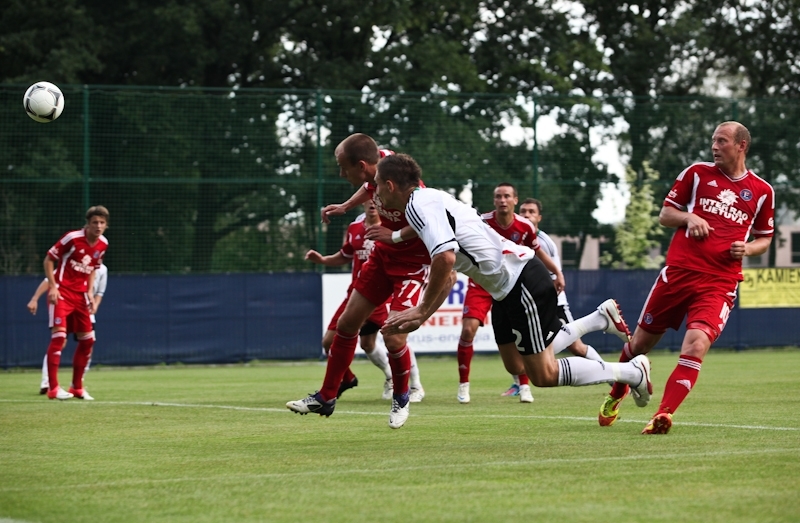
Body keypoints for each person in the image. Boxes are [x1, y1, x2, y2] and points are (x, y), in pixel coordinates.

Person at [374, 153, 653, 426]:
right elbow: (448, 273)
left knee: (543, 374)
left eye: (376, 183)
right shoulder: (429, 200)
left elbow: (445, 258)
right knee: (516, 366)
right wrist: (422, 315)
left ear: (390, 185)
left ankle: (631, 372)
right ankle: (597, 319)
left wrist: (422, 310)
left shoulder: (418, 206)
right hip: (505, 291)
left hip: (521, 282)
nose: (374, 192)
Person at [598, 121, 775, 434]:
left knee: (695, 346)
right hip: (679, 273)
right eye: (713, 140)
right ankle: (617, 392)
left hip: (720, 282)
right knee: (639, 344)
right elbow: (666, 214)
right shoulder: (696, 174)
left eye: (721, 141)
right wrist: (689, 216)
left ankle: (663, 414)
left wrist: (747, 249)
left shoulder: (761, 191)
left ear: (741, 145)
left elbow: (764, 238)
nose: (714, 147)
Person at [286, 134, 445, 429]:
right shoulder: (380, 161)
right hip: (382, 260)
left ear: (361, 165)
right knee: (347, 325)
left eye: (342, 167)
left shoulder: (414, 192)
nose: (340, 173)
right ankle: (327, 396)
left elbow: (428, 223)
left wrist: (393, 235)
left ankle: (401, 396)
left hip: (412, 266)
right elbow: (369, 185)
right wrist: (346, 206)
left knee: (394, 336)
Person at [455, 183, 566, 405]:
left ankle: (524, 386)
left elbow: (536, 253)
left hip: (511, 285)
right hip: (482, 284)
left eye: (507, 196)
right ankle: (464, 385)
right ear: (494, 200)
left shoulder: (524, 226)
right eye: (498, 196)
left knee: (525, 344)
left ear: (515, 200)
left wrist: (556, 272)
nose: (502, 200)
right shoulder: (482, 221)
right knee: (468, 330)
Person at [305, 202, 396, 401]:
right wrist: (323, 260)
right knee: (331, 342)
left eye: (376, 198)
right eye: (369, 198)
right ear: (363, 201)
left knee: (392, 340)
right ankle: (349, 378)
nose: (372, 202)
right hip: (355, 293)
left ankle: (408, 384)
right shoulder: (355, 228)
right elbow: (345, 255)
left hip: (379, 294)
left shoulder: (393, 228)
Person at [518, 198, 605, 364]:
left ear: (539, 218)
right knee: (519, 347)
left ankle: (615, 378)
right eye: (523, 211)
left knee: (576, 347)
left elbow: (554, 280)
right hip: (528, 305)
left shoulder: (545, 243)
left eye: (531, 212)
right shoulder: (514, 239)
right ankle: (520, 385)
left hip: (553, 304)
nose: (527, 215)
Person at [40, 205, 110, 400]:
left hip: (81, 297)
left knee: (88, 340)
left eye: (102, 223)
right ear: (87, 224)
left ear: (106, 225)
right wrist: (53, 286)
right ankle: (53, 388)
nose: (98, 226)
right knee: (59, 337)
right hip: (61, 293)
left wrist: (89, 292)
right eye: (95, 222)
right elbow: (48, 260)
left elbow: (93, 269)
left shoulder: (103, 244)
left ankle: (76, 387)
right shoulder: (72, 238)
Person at [28, 262, 108, 394]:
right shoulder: (73, 264)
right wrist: (35, 298)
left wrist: (95, 306)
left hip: (84, 308)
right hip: (66, 304)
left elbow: (100, 291)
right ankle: (47, 382)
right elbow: (49, 279)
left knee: (88, 343)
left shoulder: (102, 269)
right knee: (60, 340)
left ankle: (78, 383)